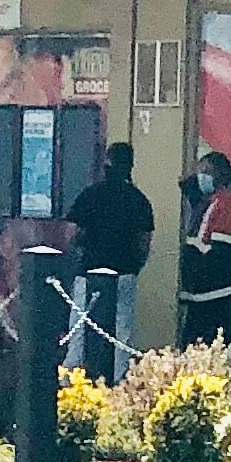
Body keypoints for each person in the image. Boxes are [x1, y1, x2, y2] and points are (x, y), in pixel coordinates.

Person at [65, 146, 155, 376]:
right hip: (124, 271)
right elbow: (144, 241)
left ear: (106, 163)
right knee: (121, 329)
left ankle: (72, 377)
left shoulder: (90, 194)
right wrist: (136, 266)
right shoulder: (139, 199)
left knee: (79, 326)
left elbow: (71, 234)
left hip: (89, 270)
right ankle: (119, 377)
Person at [175, 149, 231, 346]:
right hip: (202, 289)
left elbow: (222, 250)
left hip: (215, 289)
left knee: (206, 342)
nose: (201, 177)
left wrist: (197, 276)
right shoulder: (209, 200)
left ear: (220, 174)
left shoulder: (229, 201)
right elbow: (193, 199)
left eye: (206, 172)